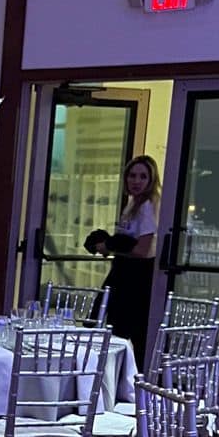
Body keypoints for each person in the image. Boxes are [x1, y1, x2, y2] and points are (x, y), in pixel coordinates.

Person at [85, 153, 160, 356]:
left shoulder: (146, 206)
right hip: (123, 272)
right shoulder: (133, 203)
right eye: (132, 175)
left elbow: (143, 249)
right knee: (110, 324)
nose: (136, 181)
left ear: (151, 180)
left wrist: (112, 246)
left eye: (143, 177)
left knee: (121, 330)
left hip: (135, 278)